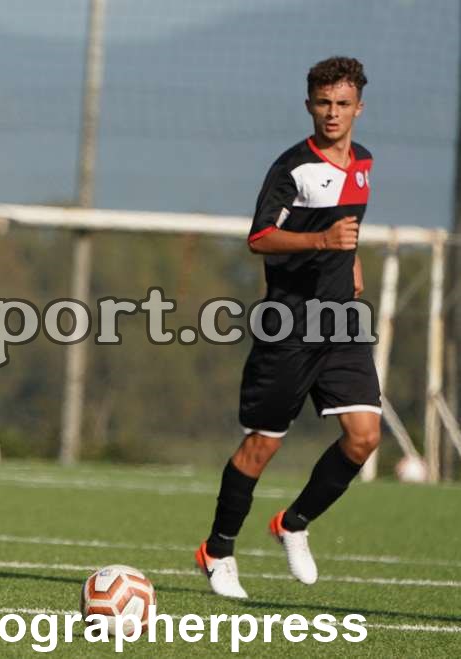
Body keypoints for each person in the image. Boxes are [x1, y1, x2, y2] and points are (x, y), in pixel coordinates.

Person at [195, 57, 381, 599]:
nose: (332, 113)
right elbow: (259, 238)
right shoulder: (291, 168)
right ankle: (217, 550)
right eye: (323, 103)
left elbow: (347, 225)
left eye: (342, 104)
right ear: (309, 105)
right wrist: (322, 242)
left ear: (358, 108)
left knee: (364, 437)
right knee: (262, 446)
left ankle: (293, 523)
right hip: (289, 326)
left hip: (341, 321)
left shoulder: (364, 162)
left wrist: (350, 260)